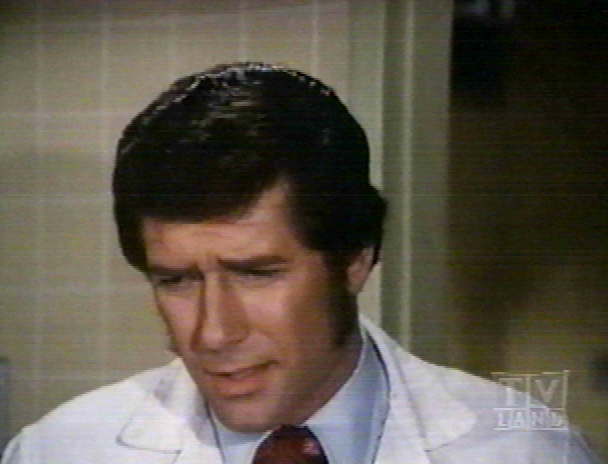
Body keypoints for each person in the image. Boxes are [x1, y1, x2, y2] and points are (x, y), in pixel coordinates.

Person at [1, 62, 599, 463]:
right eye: (177, 280)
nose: (213, 334)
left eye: (256, 274)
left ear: (356, 257)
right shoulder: (58, 451)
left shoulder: (526, 451)